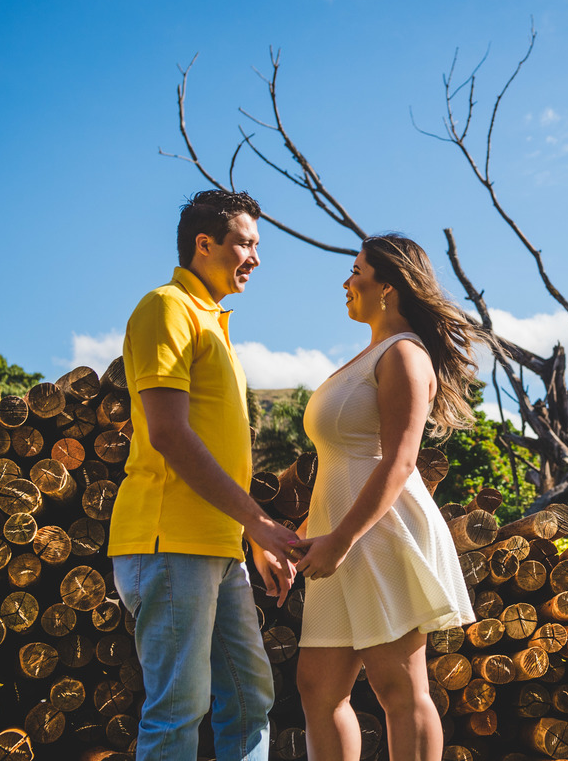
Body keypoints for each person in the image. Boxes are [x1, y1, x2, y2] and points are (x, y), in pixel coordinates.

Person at [109, 189, 297, 761]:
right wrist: (261, 524)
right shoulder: (166, 308)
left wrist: (245, 539)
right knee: (177, 711)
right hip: (168, 545)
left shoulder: (215, 322)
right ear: (204, 244)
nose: (255, 258)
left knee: (249, 700)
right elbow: (169, 435)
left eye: (257, 245)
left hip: (218, 549)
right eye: (245, 243)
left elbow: (213, 446)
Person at [288, 233, 484, 761]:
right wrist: (310, 536)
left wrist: (341, 540)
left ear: (388, 287)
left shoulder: (404, 355)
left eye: (356, 271)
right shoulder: (370, 354)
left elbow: (398, 461)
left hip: (379, 535)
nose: (346, 282)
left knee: (398, 688)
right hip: (340, 537)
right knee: (318, 687)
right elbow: (340, 461)